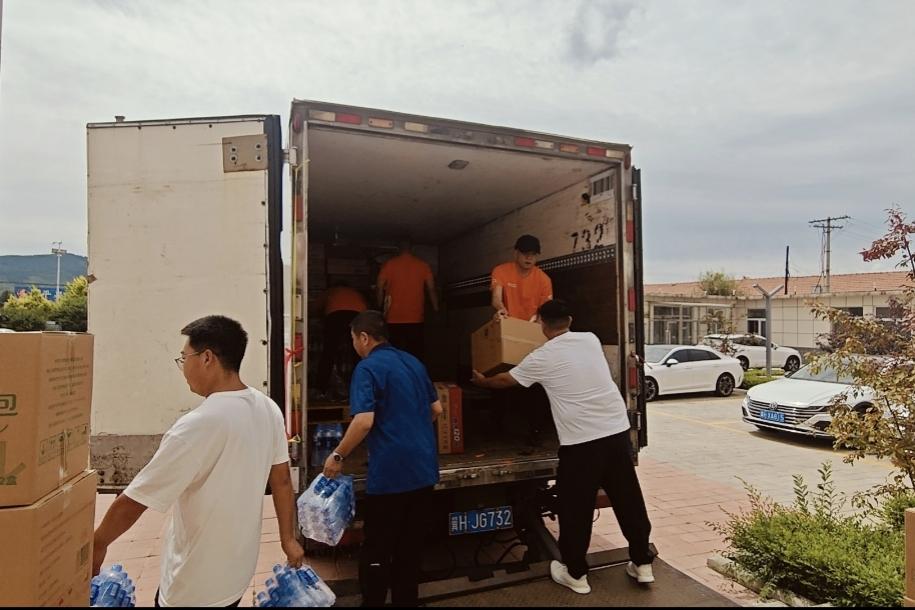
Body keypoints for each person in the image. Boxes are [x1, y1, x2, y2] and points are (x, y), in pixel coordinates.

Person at [92, 315, 304, 607]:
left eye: (184, 358)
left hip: (193, 588)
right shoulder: (267, 408)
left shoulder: (197, 425)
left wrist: (98, 544)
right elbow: (281, 480)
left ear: (207, 358)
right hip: (237, 574)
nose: (183, 368)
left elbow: (134, 501)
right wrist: (287, 539)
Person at [471, 300, 655, 595]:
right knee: (628, 498)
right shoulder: (590, 339)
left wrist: (482, 381)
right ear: (570, 319)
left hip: (581, 443)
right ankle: (642, 562)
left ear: (542, 324)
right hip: (616, 432)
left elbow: (506, 380)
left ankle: (575, 573)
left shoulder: (541, 357)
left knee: (576, 508)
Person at [322, 310, 442, 607]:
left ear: (364, 338)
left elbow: (364, 421)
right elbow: (436, 409)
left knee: (378, 549)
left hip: (391, 474)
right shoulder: (413, 362)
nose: (353, 345)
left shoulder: (367, 368)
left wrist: (338, 455)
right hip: (424, 469)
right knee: (409, 549)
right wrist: (411, 430)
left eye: (353, 339)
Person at [376, 240, 439, 360]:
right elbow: (431, 289)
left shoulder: (389, 264)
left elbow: (379, 288)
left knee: (393, 352)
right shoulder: (423, 265)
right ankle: (414, 371)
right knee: (415, 353)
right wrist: (436, 309)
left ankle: (395, 372)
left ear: (398, 249)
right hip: (415, 317)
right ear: (412, 249)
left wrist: (379, 308)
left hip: (393, 318)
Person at [316, 282, 368, 400]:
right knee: (357, 353)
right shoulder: (356, 293)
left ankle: (321, 387)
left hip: (335, 316)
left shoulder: (330, 292)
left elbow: (316, 308)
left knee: (329, 352)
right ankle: (360, 386)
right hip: (357, 317)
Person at [490, 234, 553, 322]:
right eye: (525, 253)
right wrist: (501, 310)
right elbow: (496, 298)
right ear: (516, 253)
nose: (529, 257)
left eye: (533, 254)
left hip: (531, 325)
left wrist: (538, 325)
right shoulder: (501, 271)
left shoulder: (544, 280)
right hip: (507, 321)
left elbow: (546, 310)